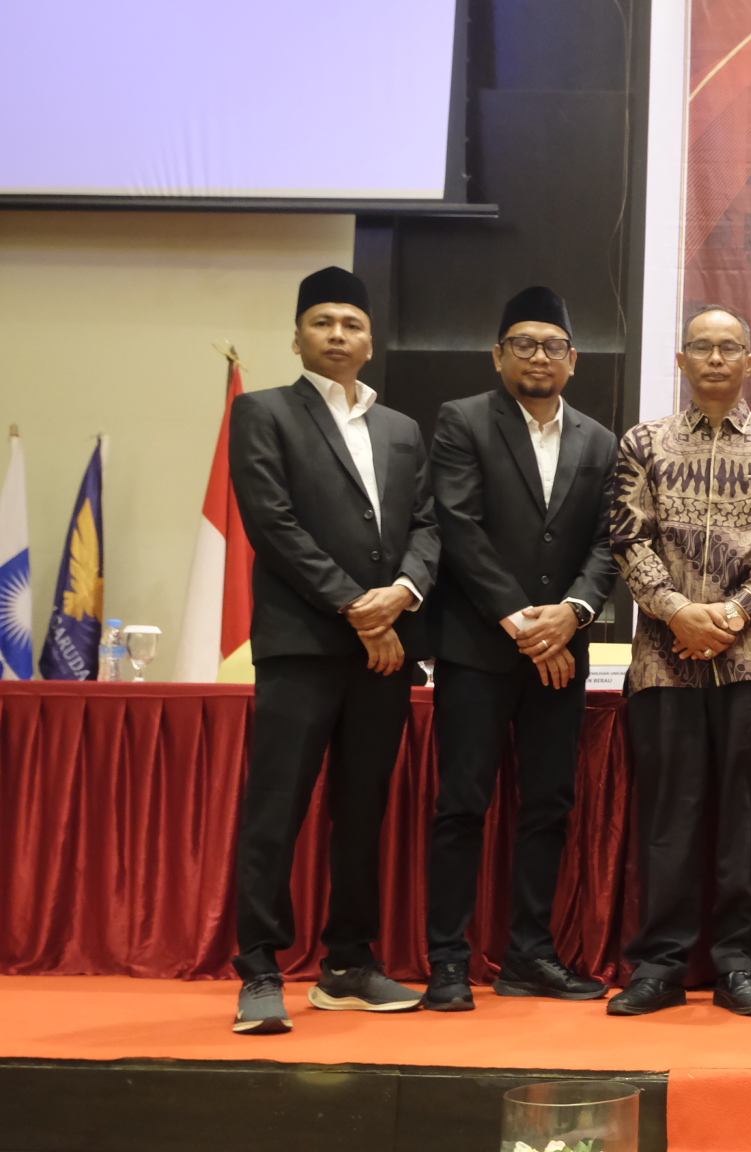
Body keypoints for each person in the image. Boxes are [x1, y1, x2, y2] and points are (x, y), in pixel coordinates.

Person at [226, 266, 439, 1034]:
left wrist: (402, 594)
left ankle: (348, 964)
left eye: (351, 324)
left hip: (384, 653)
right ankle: (259, 969)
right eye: (322, 323)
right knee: (275, 808)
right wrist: (357, 607)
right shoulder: (263, 412)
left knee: (362, 809)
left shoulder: (401, 429)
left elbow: (429, 526)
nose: (338, 335)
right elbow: (272, 523)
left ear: (370, 341)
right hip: (304, 646)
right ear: (297, 338)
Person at [605, 305, 751, 1018]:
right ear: (682, 361)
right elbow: (627, 538)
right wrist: (676, 611)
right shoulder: (644, 443)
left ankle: (742, 967)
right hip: (665, 660)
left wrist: (733, 612)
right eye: (703, 347)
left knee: (748, 820)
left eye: (730, 348)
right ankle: (660, 966)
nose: (717, 359)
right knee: (670, 815)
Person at [421, 287, 618, 1011]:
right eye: (525, 344)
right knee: (462, 804)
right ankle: (447, 960)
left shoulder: (601, 440)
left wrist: (572, 613)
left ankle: (530, 955)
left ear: (574, 359)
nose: (540, 357)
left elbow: (608, 541)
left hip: (562, 649)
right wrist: (521, 622)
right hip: (479, 648)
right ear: (498, 355)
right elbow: (459, 526)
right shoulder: (463, 420)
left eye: (553, 346)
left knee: (549, 805)